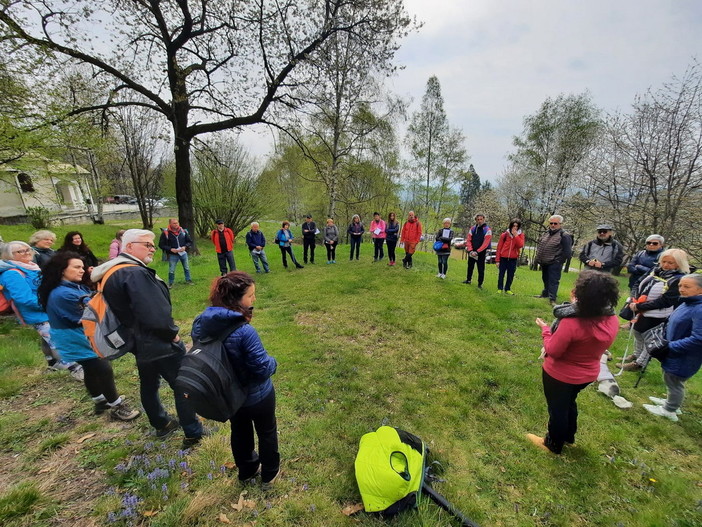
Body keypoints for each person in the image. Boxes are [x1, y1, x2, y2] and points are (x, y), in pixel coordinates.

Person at [92, 229, 204, 448]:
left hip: (137, 341)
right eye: (147, 244)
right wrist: (172, 334)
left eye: (153, 245)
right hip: (157, 341)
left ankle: (161, 424)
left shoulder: (113, 271)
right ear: (129, 247)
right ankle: (193, 433)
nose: (153, 248)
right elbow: (154, 314)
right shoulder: (133, 273)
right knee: (183, 384)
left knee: (149, 383)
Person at [191, 272, 279, 486]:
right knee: (266, 431)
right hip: (256, 395)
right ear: (236, 300)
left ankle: (247, 471)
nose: (254, 300)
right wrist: (273, 362)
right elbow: (261, 368)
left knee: (239, 432)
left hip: (228, 395)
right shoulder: (244, 331)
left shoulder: (200, 323)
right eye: (251, 296)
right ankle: (270, 473)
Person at [37, 252, 140, 421]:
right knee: (102, 368)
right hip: (74, 336)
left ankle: (99, 401)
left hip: (72, 334)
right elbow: (89, 315)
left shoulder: (69, 286)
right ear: (62, 270)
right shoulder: (63, 294)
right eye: (76, 267)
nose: (81, 271)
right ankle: (117, 406)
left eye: (82, 267)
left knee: (90, 369)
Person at [528, 271, 620, 454]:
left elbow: (553, 350)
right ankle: (569, 437)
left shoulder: (572, 322)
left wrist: (546, 330)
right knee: (569, 403)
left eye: (577, 289)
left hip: (560, 376)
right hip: (587, 375)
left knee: (558, 409)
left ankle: (553, 444)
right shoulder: (611, 318)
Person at [0, 241, 83, 380]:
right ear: (9, 256)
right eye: (20, 251)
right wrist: (50, 303)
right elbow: (24, 299)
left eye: (28, 249)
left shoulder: (31, 267)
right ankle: (76, 369)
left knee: (47, 337)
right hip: (37, 313)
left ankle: (53, 363)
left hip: (44, 310)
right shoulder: (12, 274)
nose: (26, 253)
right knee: (57, 339)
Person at [643, 274, 702, 422]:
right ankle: (671, 402)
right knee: (670, 377)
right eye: (680, 285)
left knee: (674, 381)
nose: (681, 289)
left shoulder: (699, 309)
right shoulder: (688, 302)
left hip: (684, 355)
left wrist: (670, 347)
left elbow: (698, 339)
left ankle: (670, 410)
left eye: (687, 287)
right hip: (672, 351)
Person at [618, 249, 689, 372]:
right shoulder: (654, 271)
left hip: (657, 315)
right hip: (639, 308)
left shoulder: (678, 280)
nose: (666, 265)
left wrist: (640, 307)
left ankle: (640, 363)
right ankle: (636, 354)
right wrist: (634, 299)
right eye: (664, 261)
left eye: (670, 263)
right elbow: (638, 283)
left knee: (649, 338)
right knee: (637, 333)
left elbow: (666, 301)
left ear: (679, 264)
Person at [534, 215, 573, 305]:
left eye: (555, 223)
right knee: (545, 279)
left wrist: (559, 260)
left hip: (555, 262)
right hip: (544, 261)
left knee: (553, 281)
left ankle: (552, 299)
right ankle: (545, 294)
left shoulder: (564, 235)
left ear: (560, 224)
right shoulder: (547, 233)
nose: (553, 225)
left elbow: (567, 252)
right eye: (551, 223)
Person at [159, 218, 193, 287]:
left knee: (186, 267)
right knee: (171, 270)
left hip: (183, 253)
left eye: (177, 223)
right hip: (173, 255)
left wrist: (185, 247)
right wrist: (170, 249)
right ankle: (170, 283)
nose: (176, 224)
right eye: (174, 223)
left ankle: (188, 280)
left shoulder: (183, 231)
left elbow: (189, 241)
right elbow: (161, 245)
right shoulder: (166, 233)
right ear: (170, 224)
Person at [495, 219, 525, 294]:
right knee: (501, 274)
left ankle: (507, 289)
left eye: (516, 226)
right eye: (513, 226)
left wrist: (516, 236)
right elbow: (499, 247)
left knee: (510, 274)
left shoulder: (520, 235)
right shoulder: (504, 235)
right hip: (503, 258)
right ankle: (500, 288)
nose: (515, 228)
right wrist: (497, 260)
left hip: (513, 259)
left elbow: (520, 245)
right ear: (510, 226)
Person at [463, 214, 492, 289]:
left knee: (481, 269)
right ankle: (468, 280)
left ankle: (480, 284)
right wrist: (470, 250)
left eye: (481, 219)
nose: (479, 221)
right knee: (470, 266)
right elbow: (469, 240)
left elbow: (486, 243)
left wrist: (477, 252)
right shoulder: (472, 228)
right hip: (472, 251)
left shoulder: (487, 230)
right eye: (478, 219)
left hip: (481, 253)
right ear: (476, 220)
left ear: (484, 219)